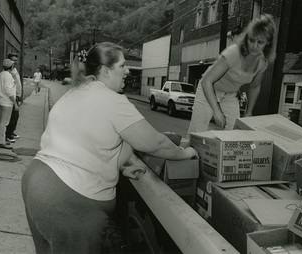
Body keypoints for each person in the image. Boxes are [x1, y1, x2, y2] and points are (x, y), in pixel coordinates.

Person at [21, 42, 198, 254]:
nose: (127, 70)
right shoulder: (112, 101)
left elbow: (86, 142)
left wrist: (120, 168)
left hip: (36, 184)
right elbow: (156, 143)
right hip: (68, 201)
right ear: (106, 70)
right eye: (122, 66)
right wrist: (185, 153)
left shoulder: (76, 92)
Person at [187, 14, 276, 136]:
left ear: (268, 43)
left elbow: (255, 86)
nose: (254, 46)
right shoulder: (234, 53)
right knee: (197, 132)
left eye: (260, 42)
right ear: (246, 38)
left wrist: (249, 112)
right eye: (251, 40)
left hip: (230, 95)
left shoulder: (262, 62)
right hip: (209, 90)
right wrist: (217, 111)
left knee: (232, 134)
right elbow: (207, 81)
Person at [0, 59, 19, 149]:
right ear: (12, 66)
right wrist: (15, 104)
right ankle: (1, 142)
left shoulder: (1, 74)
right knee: (4, 122)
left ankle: (1, 140)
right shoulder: (8, 76)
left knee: (2, 122)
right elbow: (9, 91)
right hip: (7, 102)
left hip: (2, 100)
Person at [6, 53, 21, 143]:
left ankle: (12, 132)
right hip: (13, 96)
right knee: (12, 116)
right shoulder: (9, 72)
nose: (15, 62)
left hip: (17, 95)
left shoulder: (14, 69)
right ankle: (8, 134)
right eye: (13, 60)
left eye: (16, 60)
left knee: (15, 116)